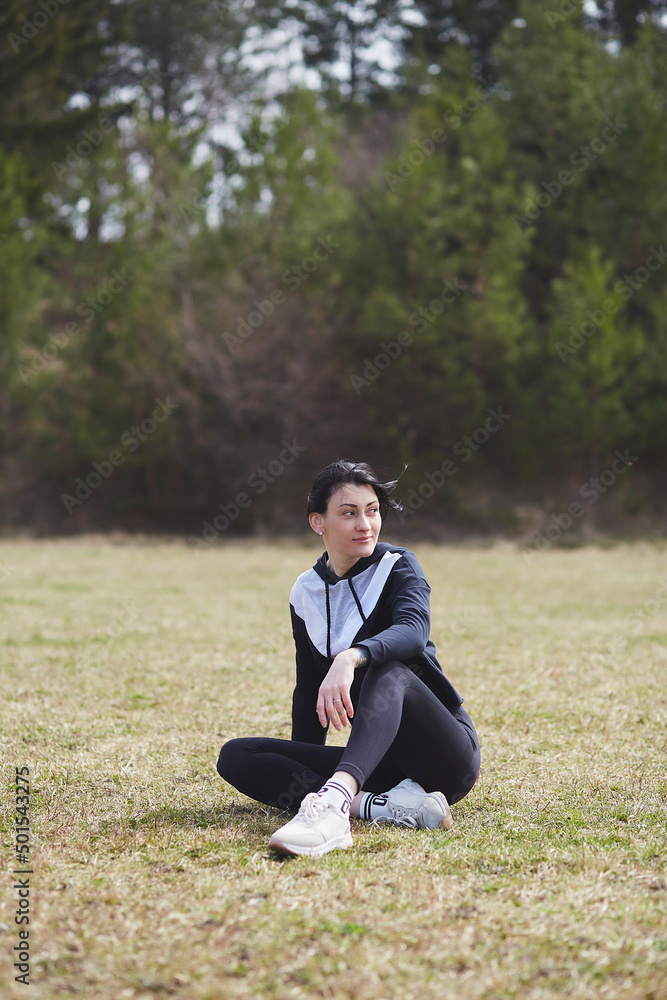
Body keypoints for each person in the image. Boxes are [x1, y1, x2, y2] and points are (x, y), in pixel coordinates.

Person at [217, 460, 480, 857]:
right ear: (317, 522)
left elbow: (412, 633)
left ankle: (336, 802)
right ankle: (372, 806)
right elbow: (308, 691)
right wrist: (303, 759)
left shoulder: (398, 565)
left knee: (387, 669)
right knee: (237, 755)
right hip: (378, 763)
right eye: (349, 513)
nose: (365, 525)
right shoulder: (305, 592)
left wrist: (351, 657)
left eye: (372, 511)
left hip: (443, 756)